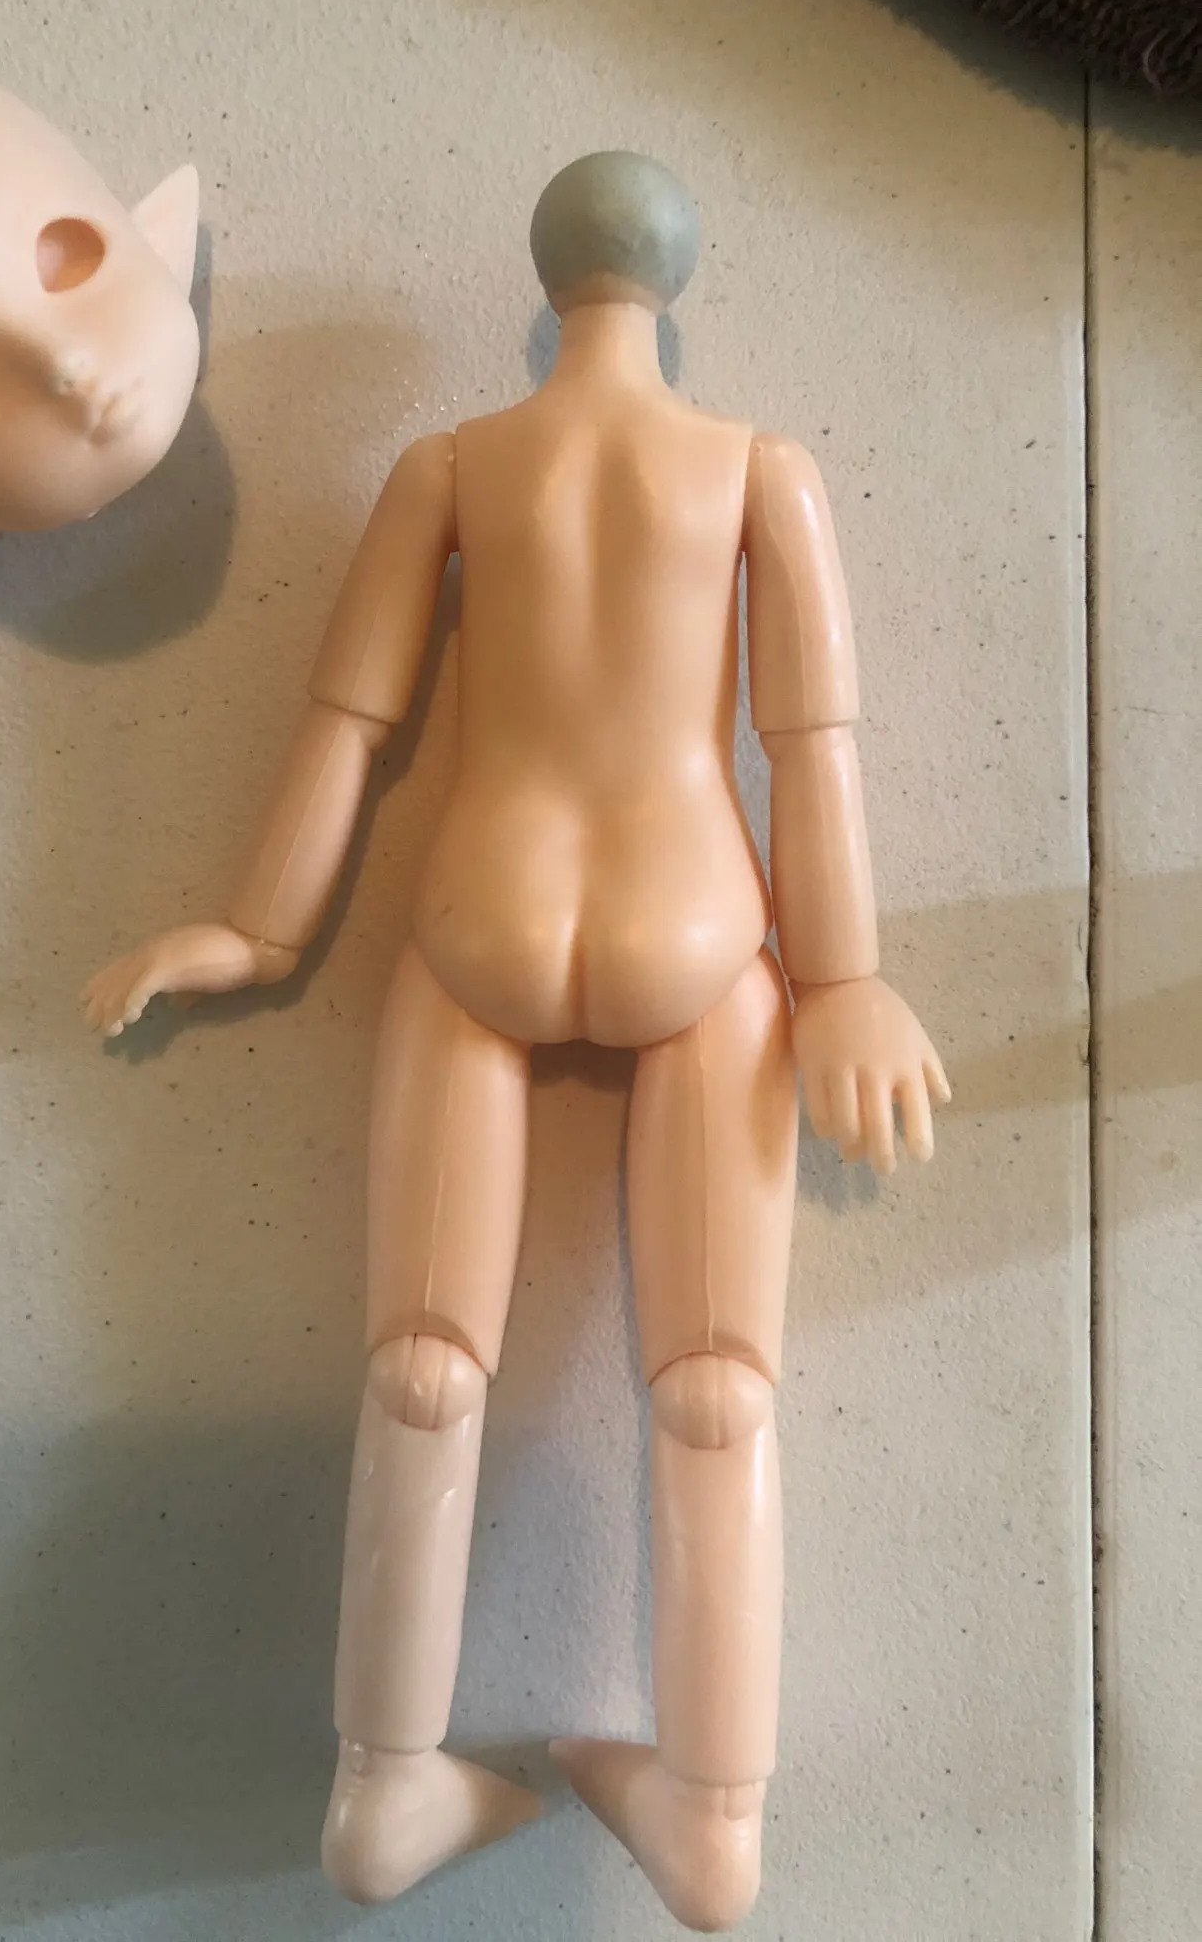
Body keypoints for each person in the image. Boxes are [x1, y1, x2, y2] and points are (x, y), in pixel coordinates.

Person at [84, 150, 948, 1933]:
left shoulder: (453, 466)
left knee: (419, 1373)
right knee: (716, 1393)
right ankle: (712, 1817)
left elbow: (351, 719)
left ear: (548, 280)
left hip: (476, 925)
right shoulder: (756, 471)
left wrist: (257, 930)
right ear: (674, 283)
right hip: (701, 934)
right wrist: (845, 977)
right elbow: (815, 744)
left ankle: (383, 1794)